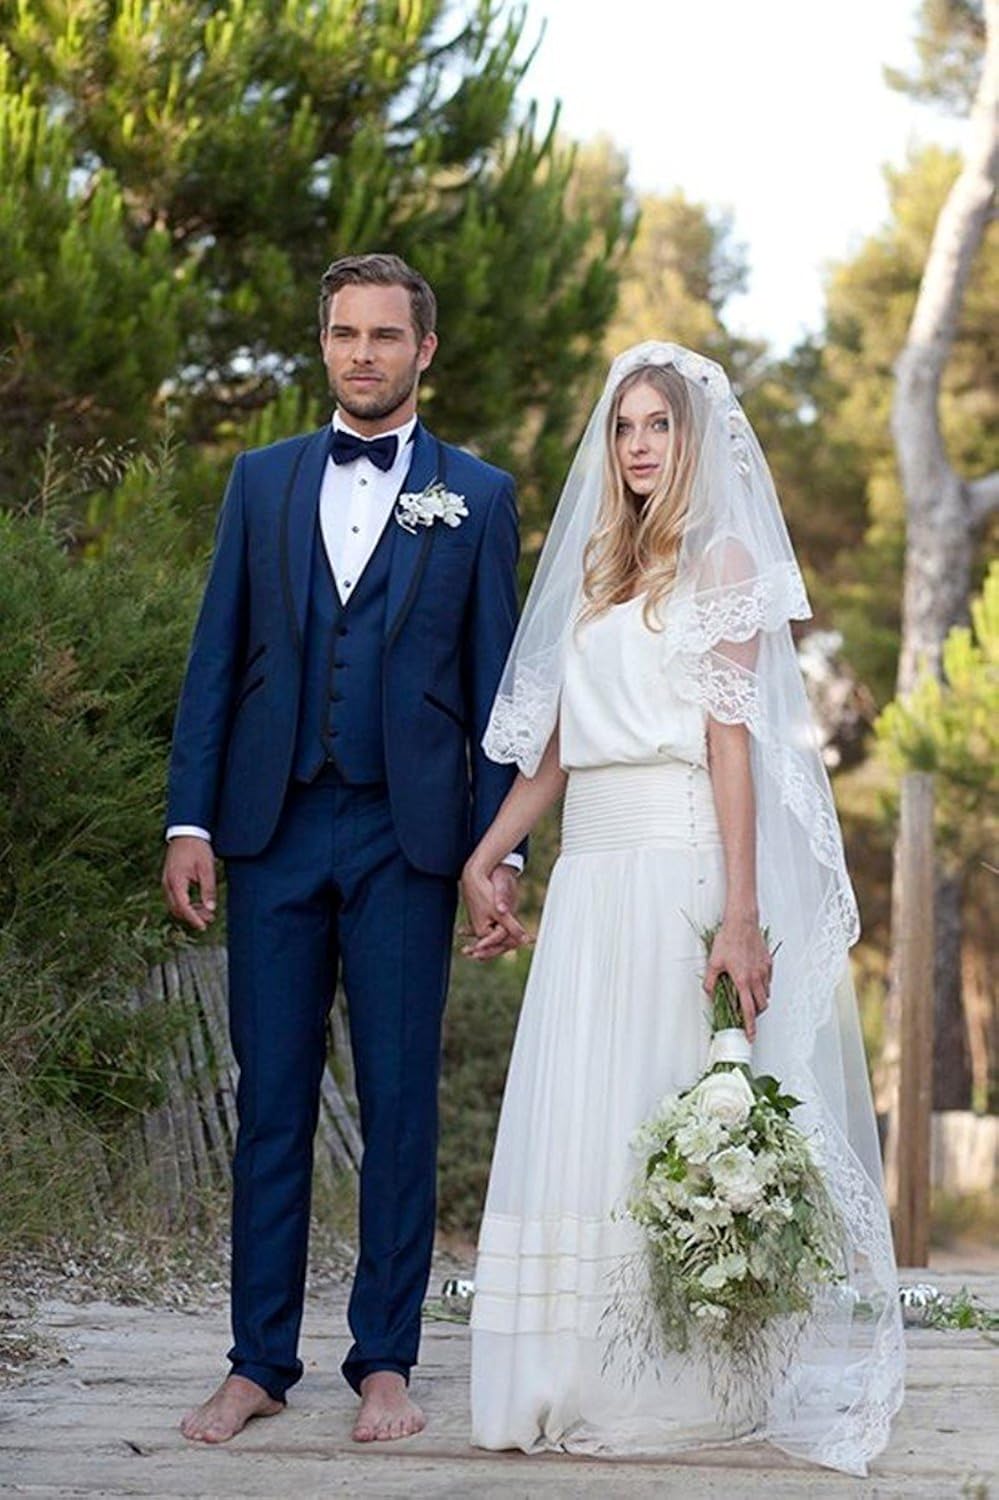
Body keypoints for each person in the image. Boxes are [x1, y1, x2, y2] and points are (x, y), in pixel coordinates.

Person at [461, 343, 904, 1476]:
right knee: (584, 1102)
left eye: (658, 424)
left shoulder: (723, 562)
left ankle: (670, 1378)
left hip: (677, 869)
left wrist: (740, 915)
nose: (639, 444)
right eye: (624, 427)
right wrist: (488, 855)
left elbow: (730, 746)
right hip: (590, 878)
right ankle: (557, 1370)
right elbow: (554, 753)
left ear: (694, 439)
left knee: (660, 1098)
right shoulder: (597, 568)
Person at [162, 252, 527, 1445]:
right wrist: (189, 819)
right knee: (270, 1099)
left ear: (425, 350)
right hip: (269, 830)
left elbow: (502, 692)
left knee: (399, 1105)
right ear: (323, 344)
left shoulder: (478, 495)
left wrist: (499, 855)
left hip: (407, 841)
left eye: (384, 335)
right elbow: (217, 657)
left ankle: (385, 1362)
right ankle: (258, 1361)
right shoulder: (261, 480)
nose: (361, 354)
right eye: (343, 334)